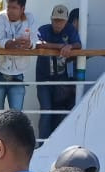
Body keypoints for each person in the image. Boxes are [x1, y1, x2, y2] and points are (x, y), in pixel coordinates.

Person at [34, 4, 81, 139]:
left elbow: (78, 45)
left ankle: (56, 143)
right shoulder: (44, 29)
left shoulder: (70, 30)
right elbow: (37, 43)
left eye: (61, 21)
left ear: (66, 21)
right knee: (46, 111)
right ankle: (42, 144)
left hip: (61, 79)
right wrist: (61, 46)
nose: (58, 24)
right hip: (43, 78)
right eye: (55, 20)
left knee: (59, 111)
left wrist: (70, 46)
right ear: (51, 19)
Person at [0, 0, 36, 114]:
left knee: (16, 116)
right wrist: (15, 42)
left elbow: (35, 40)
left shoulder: (30, 18)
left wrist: (29, 44)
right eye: (8, 7)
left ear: (22, 9)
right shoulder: (0, 18)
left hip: (18, 75)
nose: (10, 11)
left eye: (14, 8)